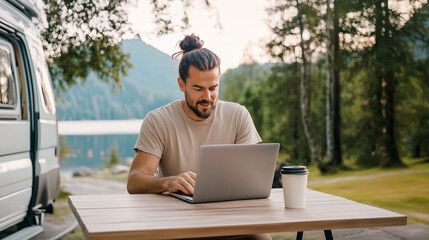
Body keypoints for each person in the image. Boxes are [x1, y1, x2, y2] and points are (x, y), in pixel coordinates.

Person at [127, 34, 271, 240]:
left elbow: (253, 178)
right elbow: (135, 181)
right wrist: (168, 183)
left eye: (213, 88)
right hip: (178, 223)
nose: (207, 97)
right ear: (181, 84)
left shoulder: (238, 115)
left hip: (231, 221)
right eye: (198, 89)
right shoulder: (158, 120)